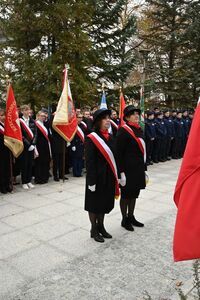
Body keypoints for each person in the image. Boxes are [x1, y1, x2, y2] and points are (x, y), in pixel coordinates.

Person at [85, 108, 119, 242]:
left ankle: (101, 227)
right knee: (94, 204)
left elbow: (115, 157)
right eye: (105, 118)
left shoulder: (111, 137)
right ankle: (94, 229)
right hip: (96, 178)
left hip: (108, 176)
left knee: (104, 203)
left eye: (108, 118)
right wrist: (91, 181)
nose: (108, 120)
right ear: (98, 121)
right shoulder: (91, 138)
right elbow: (90, 161)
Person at [116, 105, 146, 231]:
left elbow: (143, 150)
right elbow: (118, 153)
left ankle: (131, 216)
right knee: (126, 195)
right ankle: (124, 219)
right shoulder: (123, 131)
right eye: (133, 114)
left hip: (138, 169)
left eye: (137, 113)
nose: (136, 115)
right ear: (127, 117)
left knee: (134, 194)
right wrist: (120, 173)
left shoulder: (139, 129)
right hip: (127, 170)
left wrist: (144, 169)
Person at [19, 105, 37, 190]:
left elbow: (35, 134)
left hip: (31, 147)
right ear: (22, 111)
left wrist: (33, 144)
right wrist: (28, 145)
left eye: (28, 110)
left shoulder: (32, 121)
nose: (27, 111)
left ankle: (29, 181)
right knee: (24, 164)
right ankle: (24, 182)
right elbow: (20, 135)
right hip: (24, 147)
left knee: (30, 164)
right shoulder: (19, 121)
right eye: (25, 110)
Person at [34, 111, 52, 184]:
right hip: (39, 145)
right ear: (37, 116)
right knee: (39, 162)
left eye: (44, 116)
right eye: (41, 116)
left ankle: (45, 177)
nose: (43, 117)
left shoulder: (45, 124)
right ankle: (39, 178)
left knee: (46, 161)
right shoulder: (36, 124)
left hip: (46, 145)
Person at [0, 109, 12, 194]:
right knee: (2, 169)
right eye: (1, 115)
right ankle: (2, 187)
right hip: (1, 151)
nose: (3, 117)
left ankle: (8, 185)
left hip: (7, 149)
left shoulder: (7, 125)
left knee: (7, 168)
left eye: (4, 115)